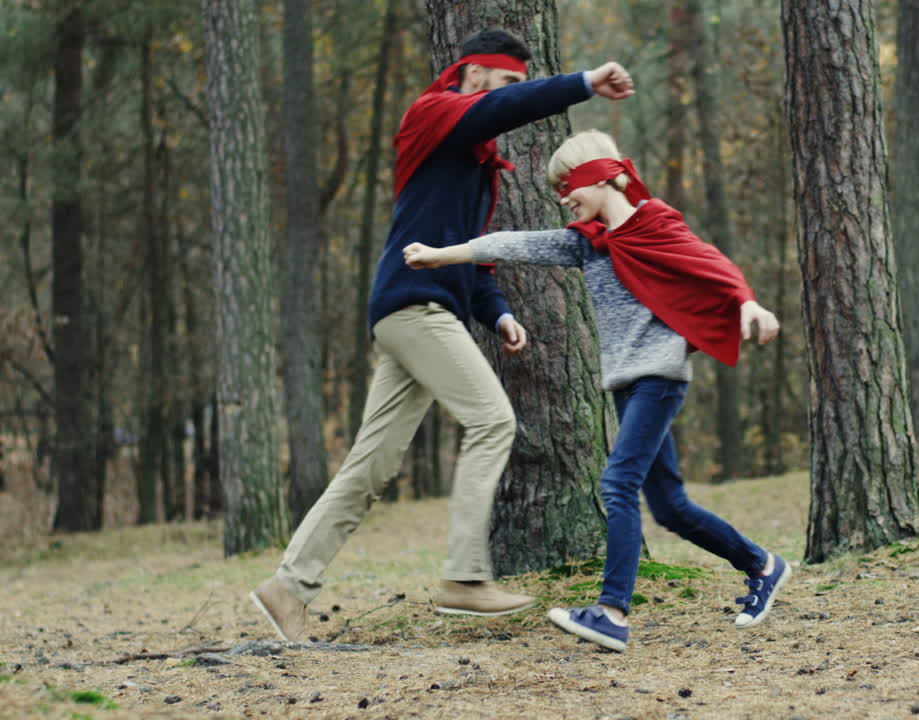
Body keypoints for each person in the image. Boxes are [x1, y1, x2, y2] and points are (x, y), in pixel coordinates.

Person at [250, 31, 635, 643]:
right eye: (508, 84)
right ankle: (463, 577)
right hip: (413, 306)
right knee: (493, 421)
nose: (510, 101)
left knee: (368, 468)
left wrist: (500, 312)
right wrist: (584, 84)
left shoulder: (477, 165)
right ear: (476, 75)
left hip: (424, 311)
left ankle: (287, 588)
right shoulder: (433, 115)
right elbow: (497, 110)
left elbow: (472, 258)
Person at [402, 130, 791, 652]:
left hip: (660, 375)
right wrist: (440, 255)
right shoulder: (586, 244)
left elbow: (712, 264)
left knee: (616, 484)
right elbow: (515, 244)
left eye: (568, 185)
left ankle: (611, 612)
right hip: (624, 382)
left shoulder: (656, 223)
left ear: (603, 177)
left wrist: (748, 304)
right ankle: (762, 565)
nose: (563, 196)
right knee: (670, 507)